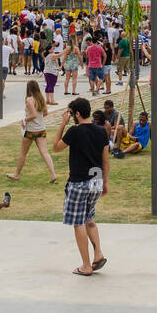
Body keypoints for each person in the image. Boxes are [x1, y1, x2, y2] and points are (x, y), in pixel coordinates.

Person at [52, 97, 110, 276]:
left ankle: (86, 265)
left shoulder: (74, 131)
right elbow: (105, 160)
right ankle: (98, 253)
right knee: (89, 218)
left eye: (71, 113)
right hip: (96, 179)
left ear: (77, 114)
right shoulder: (101, 131)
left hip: (79, 181)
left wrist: (62, 124)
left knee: (78, 223)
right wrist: (105, 182)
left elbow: (56, 147)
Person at [8, 79, 57, 182]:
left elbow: (33, 115)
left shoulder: (29, 100)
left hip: (31, 130)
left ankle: (16, 174)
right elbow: (45, 113)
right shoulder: (41, 98)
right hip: (41, 129)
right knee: (44, 152)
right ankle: (53, 174)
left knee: (23, 153)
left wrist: (23, 120)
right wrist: (39, 119)